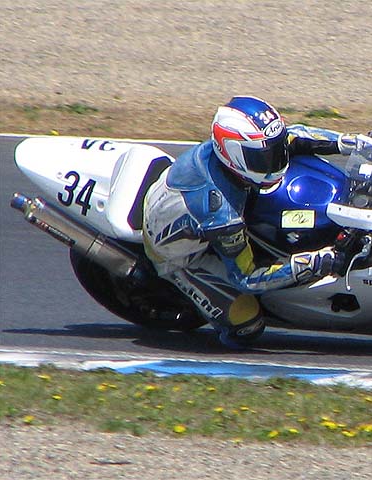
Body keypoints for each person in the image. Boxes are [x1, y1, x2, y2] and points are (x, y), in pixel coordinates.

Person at [142, 96, 355, 346]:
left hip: (196, 209)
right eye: (263, 157)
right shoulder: (222, 215)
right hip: (181, 257)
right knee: (247, 325)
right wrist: (316, 262)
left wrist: (347, 142)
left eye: (275, 151)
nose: (275, 160)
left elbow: (293, 137)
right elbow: (247, 278)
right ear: (234, 154)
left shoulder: (236, 154)